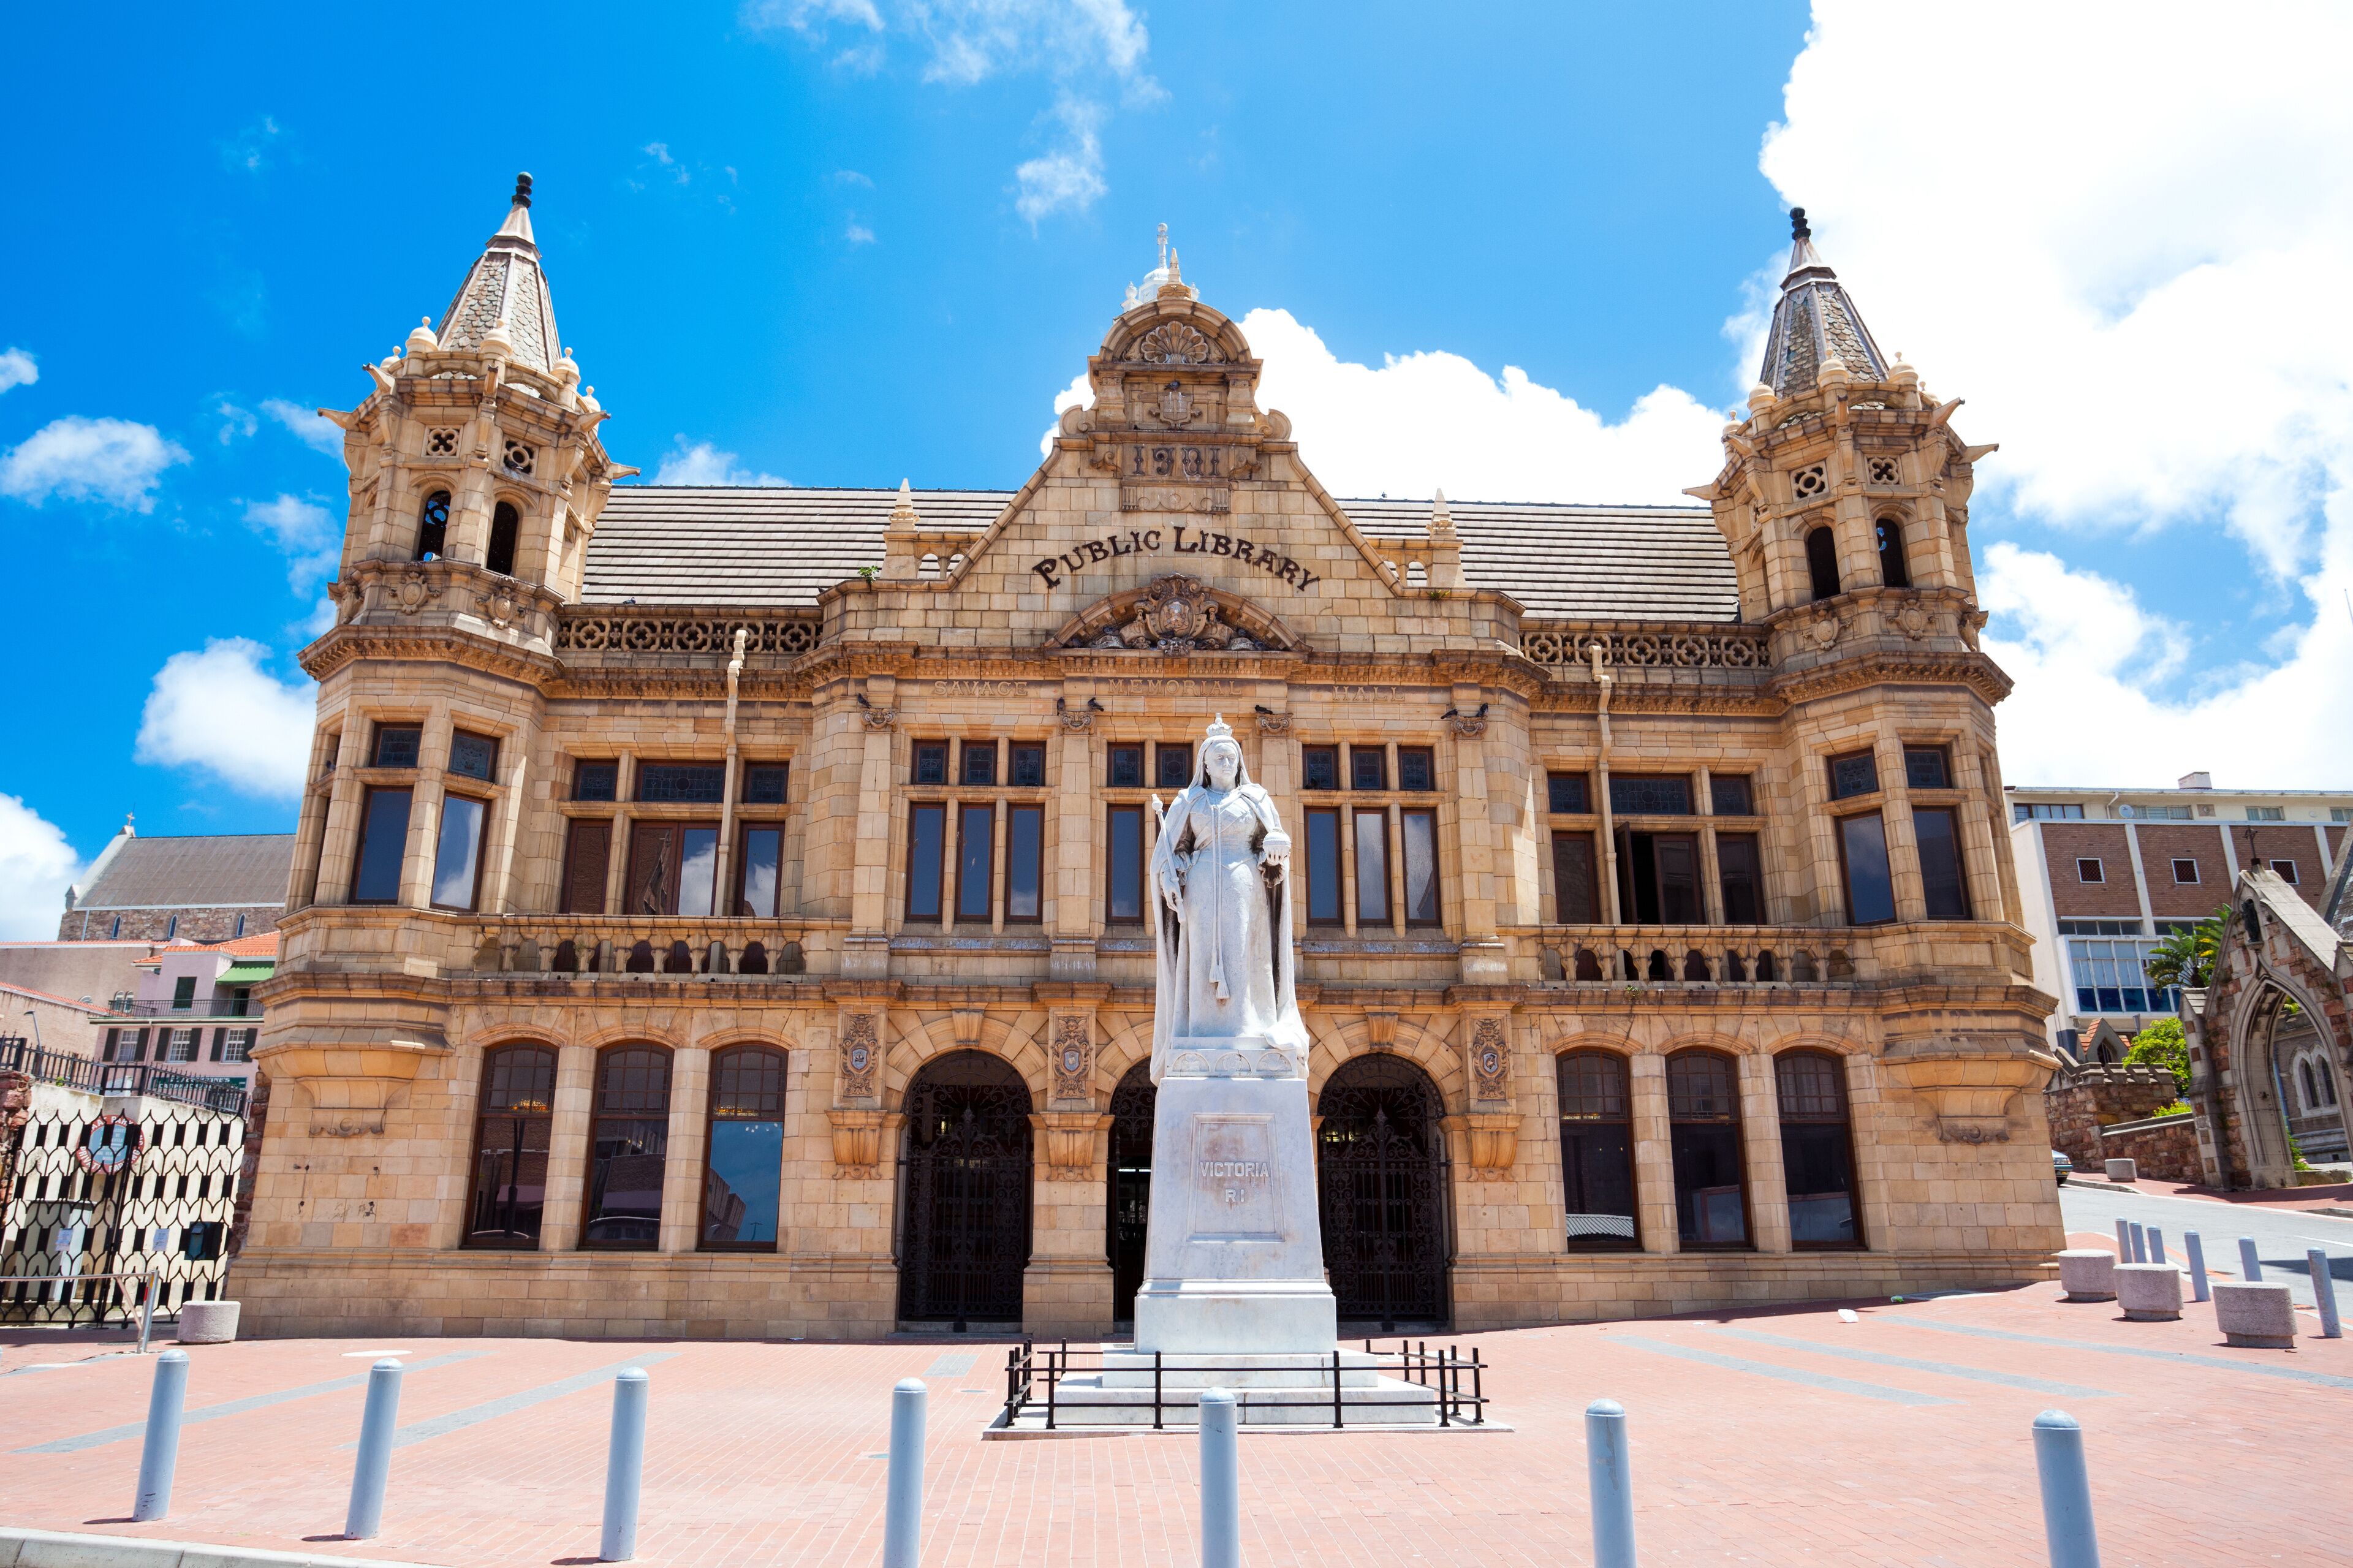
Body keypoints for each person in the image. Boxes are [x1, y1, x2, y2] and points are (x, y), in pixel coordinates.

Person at [1148, 716, 1309, 1077]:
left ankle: (1250, 1024)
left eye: (1232, 757)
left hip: (1245, 884)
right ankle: (1201, 1028)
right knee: (1202, 955)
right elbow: (1171, 853)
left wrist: (1274, 853)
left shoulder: (1256, 800)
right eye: (1219, 758)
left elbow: (1275, 852)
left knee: (1248, 953)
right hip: (1203, 886)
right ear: (1204, 764)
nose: (1226, 763)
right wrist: (1171, 875)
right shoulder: (1189, 801)